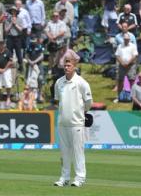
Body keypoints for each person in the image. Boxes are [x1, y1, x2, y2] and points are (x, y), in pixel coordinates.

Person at [54, 57, 93, 187]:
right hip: (62, 122)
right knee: (64, 153)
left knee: (78, 152)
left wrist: (82, 113)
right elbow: (58, 100)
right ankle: (64, 178)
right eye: (65, 65)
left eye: (69, 65)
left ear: (74, 67)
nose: (66, 67)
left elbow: (88, 103)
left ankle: (80, 178)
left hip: (77, 123)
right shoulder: (59, 82)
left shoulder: (81, 83)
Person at [114, 33, 138, 103]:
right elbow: (117, 55)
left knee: (132, 81)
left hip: (131, 65)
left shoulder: (133, 46)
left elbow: (135, 56)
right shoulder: (120, 46)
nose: (126, 40)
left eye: (127, 39)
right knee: (120, 81)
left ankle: (133, 98)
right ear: (123, 39)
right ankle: (119, 97)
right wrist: (122, 63)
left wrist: (128, 63)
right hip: (122, 65)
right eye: (125, 39)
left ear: (129, 39)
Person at [0, 41, 13, 106]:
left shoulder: (8, 52)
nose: (0, 45)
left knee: (8, 84)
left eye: (2, 44)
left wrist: (4, 69)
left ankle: (8, 98)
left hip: (6, 70)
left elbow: (10, 61)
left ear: (4, 45)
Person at [25, 37, 44, 102]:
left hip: (38, 64)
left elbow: (42, 56)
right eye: (32, 41)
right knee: (28, 80)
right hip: (30, 64)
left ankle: (39, 94)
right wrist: (30, 61)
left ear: (36, 40)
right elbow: (26, 55)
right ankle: (29, 96)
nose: (33, 42)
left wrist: (34, 61)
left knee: (40, 79)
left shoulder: (39, 46)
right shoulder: (28, 46)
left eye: (34, 41)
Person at [5, 6, 24, 72]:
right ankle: (9, 65)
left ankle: (21, 66)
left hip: (17, 37)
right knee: (9, 52)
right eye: (12, 11)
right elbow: (6, 30)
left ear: (16, 12)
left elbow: (21, 30)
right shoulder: (7, 19)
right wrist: (11, 23)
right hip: (10, 37)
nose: (13, 12)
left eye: (14, 11)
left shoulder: (20, 19)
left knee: (19, 52)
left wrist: (15, 24)